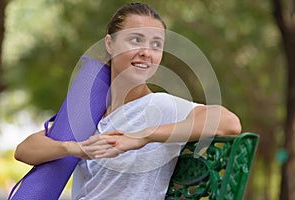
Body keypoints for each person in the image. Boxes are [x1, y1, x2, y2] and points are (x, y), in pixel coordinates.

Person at [14, 3, 241, 200]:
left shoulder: (159, 107)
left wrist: (143, 136)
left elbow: (229, 122)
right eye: (136, 40)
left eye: (156, 45)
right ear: (110, 44)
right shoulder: (92, 112)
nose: (146, 52)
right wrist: (74, 148)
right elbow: (24, 150)